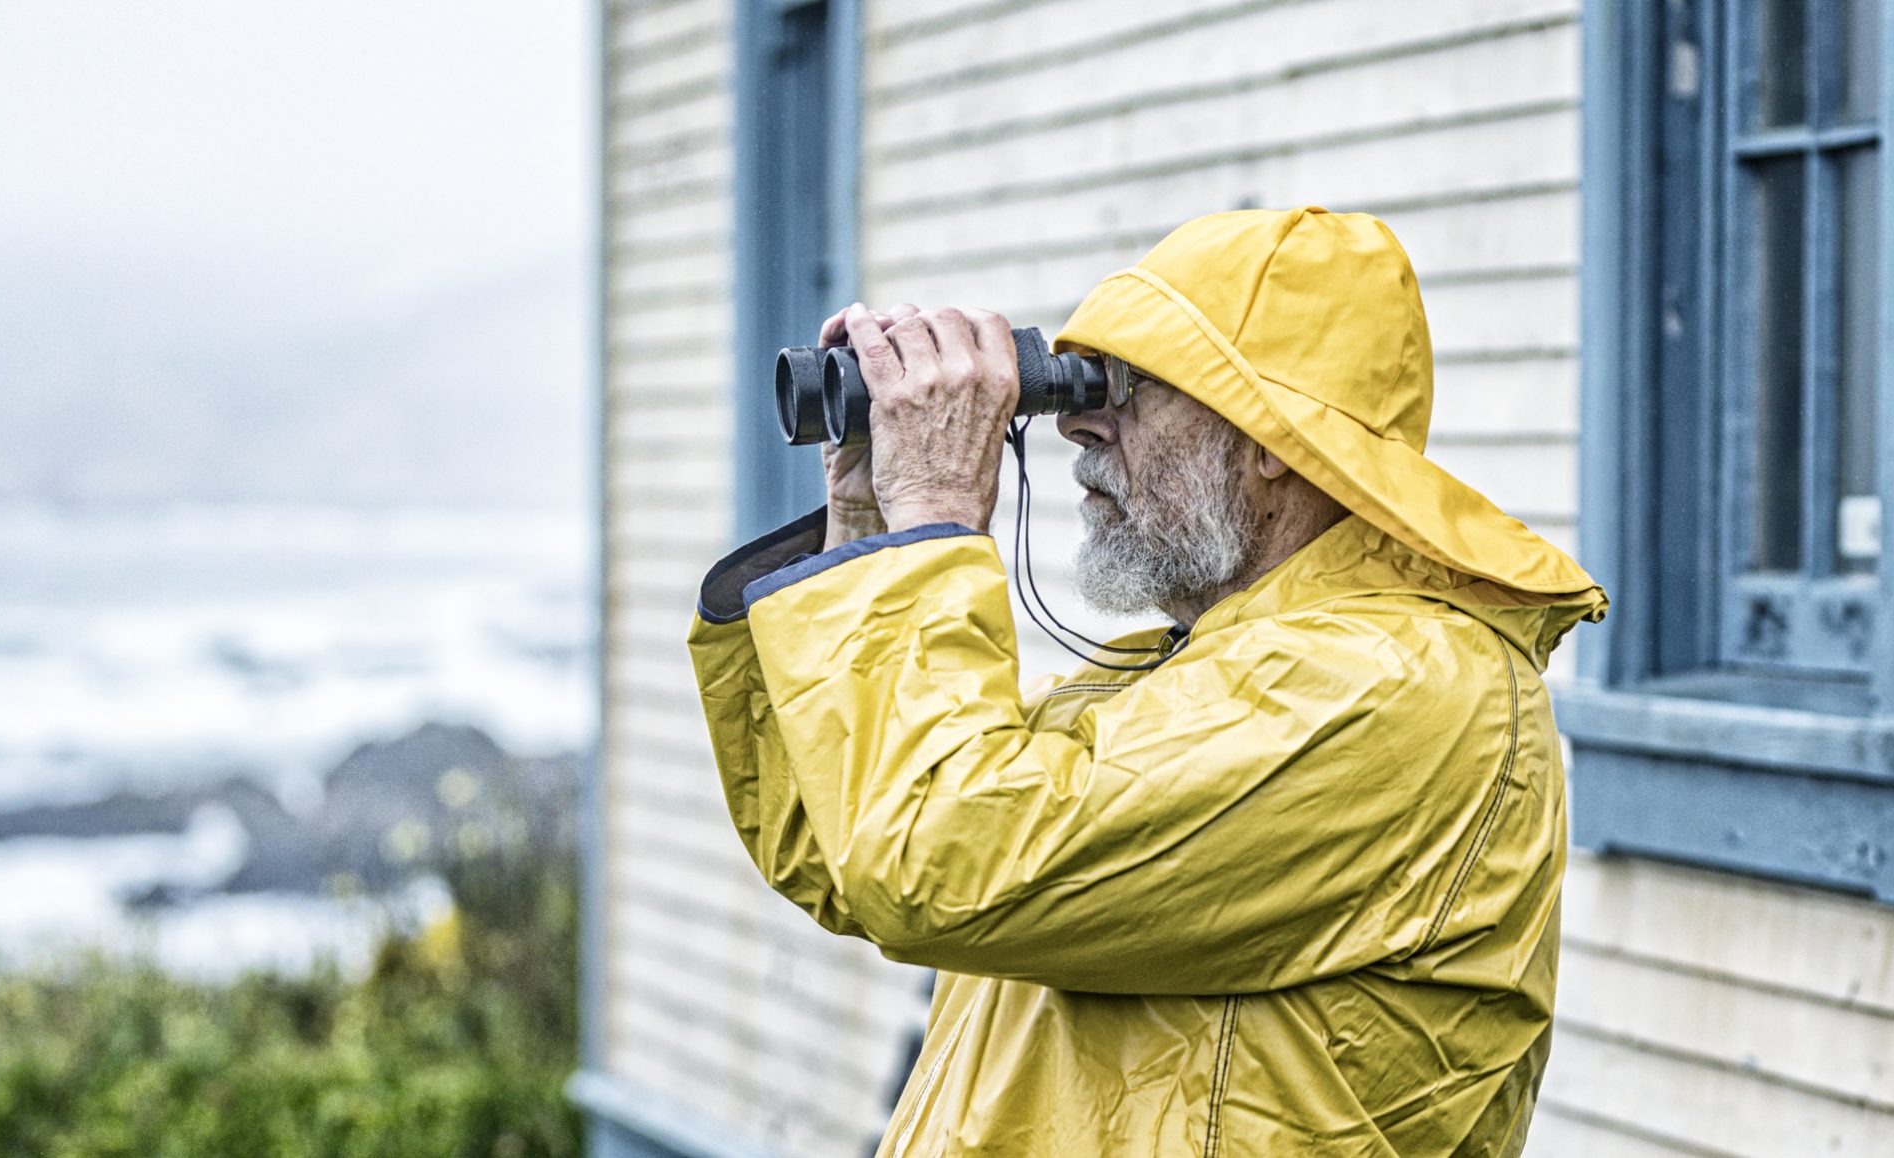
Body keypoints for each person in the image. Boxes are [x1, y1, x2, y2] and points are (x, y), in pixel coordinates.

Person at [688, 208, 1606, 1155]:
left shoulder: (1397, 688)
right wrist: (867, 522)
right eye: (1082, 383)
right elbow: (841, 847)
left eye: (1129, 386)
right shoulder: (1186, 669)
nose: (1080, 422)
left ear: (1273, 441)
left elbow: (934, 860)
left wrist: (933, 527)